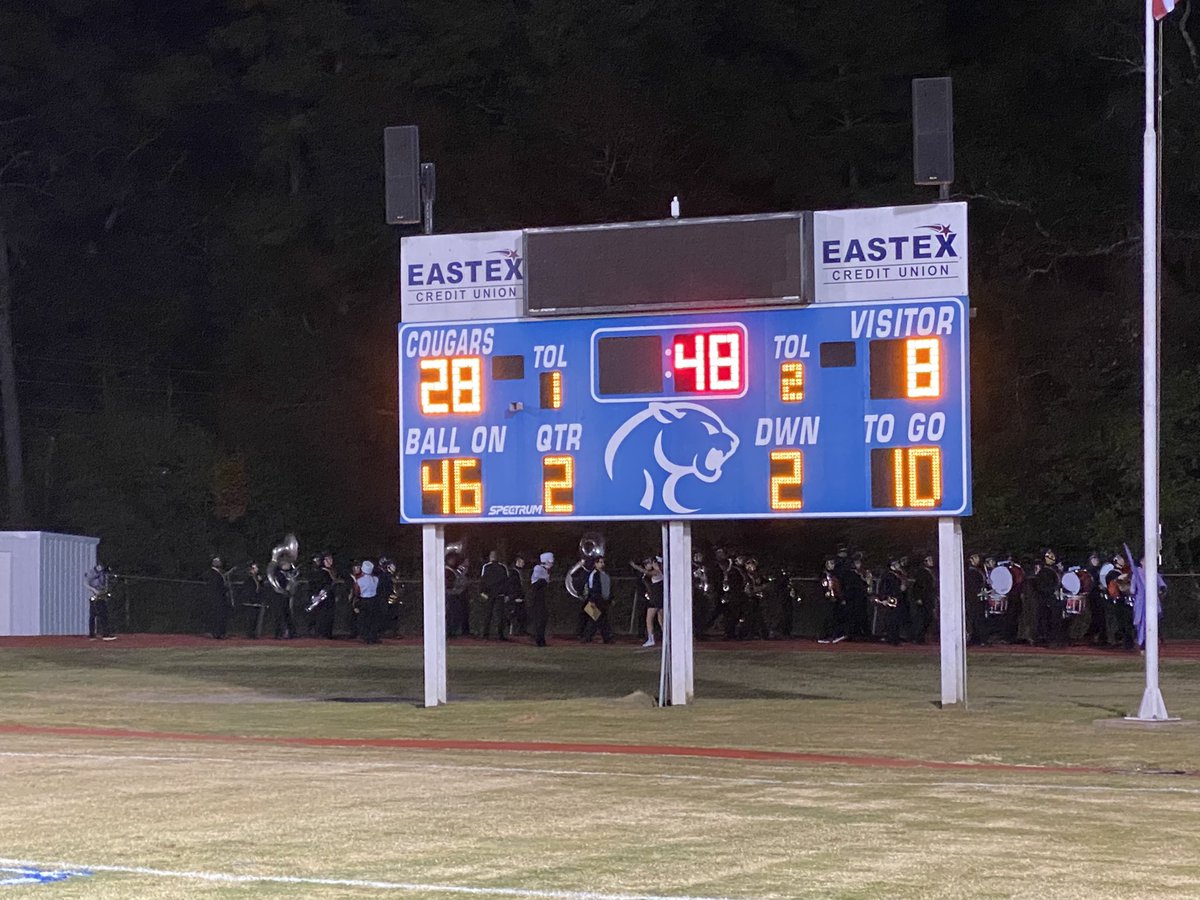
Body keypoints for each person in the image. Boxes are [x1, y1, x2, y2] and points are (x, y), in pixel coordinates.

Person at [1033, 549, 1065, 647]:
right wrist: (1051, 593)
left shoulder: (1054, 570)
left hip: (1054, 600)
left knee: (1056, 620)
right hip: (1047, 599)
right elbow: (1041, 587)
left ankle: (1055, 639)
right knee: (1047, 620)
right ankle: (1047, 639)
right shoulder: (1044, 572)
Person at [580, 556, 614, 643]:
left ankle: (605, 638)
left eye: (603, 562)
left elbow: (608, 588)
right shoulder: (594, 575)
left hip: (603, 600)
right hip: (596, 600)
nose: (602, 564)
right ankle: (588, 637)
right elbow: (592, 588)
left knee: (601, 619)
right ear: (595, 564)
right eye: (600, 562)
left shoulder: (605, 574)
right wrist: (592, 600)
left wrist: (610, 598)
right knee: (596, 619)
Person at [633, 556, 664, 647]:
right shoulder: (661, 573)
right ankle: (667, 637)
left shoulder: (657, 572)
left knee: (649, 619)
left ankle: (651, 639)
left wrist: (636, 566)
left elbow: (647, 572)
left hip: (655, 599)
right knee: (661, 620)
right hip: (659, 598)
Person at [479, 550, 511, 640]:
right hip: (497, 594)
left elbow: (483, 580)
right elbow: (507, 581)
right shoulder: (502, 567)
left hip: (491, 594)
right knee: (497, 615)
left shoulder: (487, 567)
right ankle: (499, 635)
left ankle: (487, 634)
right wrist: (507, 593)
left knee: (489, 614)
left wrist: (482, 592)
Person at [816, 557, 845, 644]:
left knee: (833, 617)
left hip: (833, 599)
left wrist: (839, 597)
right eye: (831, 563)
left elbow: (836, 587)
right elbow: (824, 586)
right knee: (827, 617)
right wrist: (827, 594)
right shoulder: (823, 575)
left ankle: (833, 634)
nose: (833, 565)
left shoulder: (833, 575)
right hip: (825, 600)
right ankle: (824, 636)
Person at [1082, 551, 1108, 647]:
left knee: (1099, 616)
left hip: (1097, 595)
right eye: (1094, 558)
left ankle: (1098, 636)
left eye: (1096, 558)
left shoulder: (1098, 570)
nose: (1096, 560)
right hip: (1093, 595)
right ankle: (1093, 635)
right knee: (1097, 616)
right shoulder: (1090, 571)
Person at [85, 564, 117, 641]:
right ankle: (92, 634)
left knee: (104, 614)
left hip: (101, 596)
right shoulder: (91, 573)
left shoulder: (104, 574)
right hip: (94, 596)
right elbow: (86, 584)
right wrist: (94, 591)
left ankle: (105, 633)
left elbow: (105, 584)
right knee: (93, 615)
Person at [909, 554, 936, 644]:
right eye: (929, 560)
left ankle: (921, 636)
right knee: (922, 618)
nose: (932, 562)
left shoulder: (930, 572)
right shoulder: (921, 573)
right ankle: (918, 637)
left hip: (929, 598)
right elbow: (917, 586)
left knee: (928, 618)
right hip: (923, 598)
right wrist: (918, 598)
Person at [877, 558, 904, 645]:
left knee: (896, 618)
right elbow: (883, 588)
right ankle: (891, 637)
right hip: (891, 598)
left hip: (897, 598)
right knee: (892, 618)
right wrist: (884, 598)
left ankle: (895, 636)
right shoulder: (887, 575)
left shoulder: (898, 574)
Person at [529, 552, 553, 646]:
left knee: (543, 619)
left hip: (541, 598)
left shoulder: (544, 570)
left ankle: (541, 639)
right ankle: (539, 639)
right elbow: (539, 583)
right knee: (540, 619)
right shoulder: (538, 569)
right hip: (537, 598)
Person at [445, 551, 470, 638]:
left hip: (454, 595)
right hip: (450, 595)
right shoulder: (447, 570)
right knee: (450, 614)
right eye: (451, 560)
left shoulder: (453, 570)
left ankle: (452, 631)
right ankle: (449, 632)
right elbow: (449, 584)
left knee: (454, 614)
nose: (453, 561)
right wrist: (456, 586)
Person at [964, 552, 988, 646]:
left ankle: (978, 637)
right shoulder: (971, 572)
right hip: (974, 598)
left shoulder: (978, 570)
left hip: (979, 597)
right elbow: (972, 587)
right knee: (976, 618)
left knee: (979, 618)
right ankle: (979, 638)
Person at [356, 560, 381, 643]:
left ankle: (366, 637)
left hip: (364, 600)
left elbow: (357, 592)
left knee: (364, 619)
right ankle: (373, 636)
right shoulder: (376, 579)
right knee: (373, 619)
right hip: (374, 600)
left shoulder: (359, 581)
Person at [240, 562, 267, 639]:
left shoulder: (258, 578)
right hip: (250, 602)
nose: (256, 570)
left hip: (257, 601)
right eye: (254, 568)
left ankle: (254, 633)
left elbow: (261, 589)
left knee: (255, 619)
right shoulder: (248, 579)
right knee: (250, 618)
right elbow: (248, 590)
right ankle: (250, 633)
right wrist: (251, 599)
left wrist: (261, 582)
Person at [207, 556, 232, 640]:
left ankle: (220, 632)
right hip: (217, 598)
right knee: (218, 616)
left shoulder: (219, 573)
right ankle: (217, 633)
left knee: (221, 616)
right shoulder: (214, 574)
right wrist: (225, 588)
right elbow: (217, 587)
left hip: (220, 598)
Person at [507, 553, 528, 637]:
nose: (523, 564)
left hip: (520, 596)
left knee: (522, 614)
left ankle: (521, 630)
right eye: (522, 562)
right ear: (518, 562)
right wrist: (515, 596)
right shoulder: (513, 572)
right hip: (516, 596)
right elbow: (514, 586)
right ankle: (513, 631)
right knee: (514, 614)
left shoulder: (519, 572)